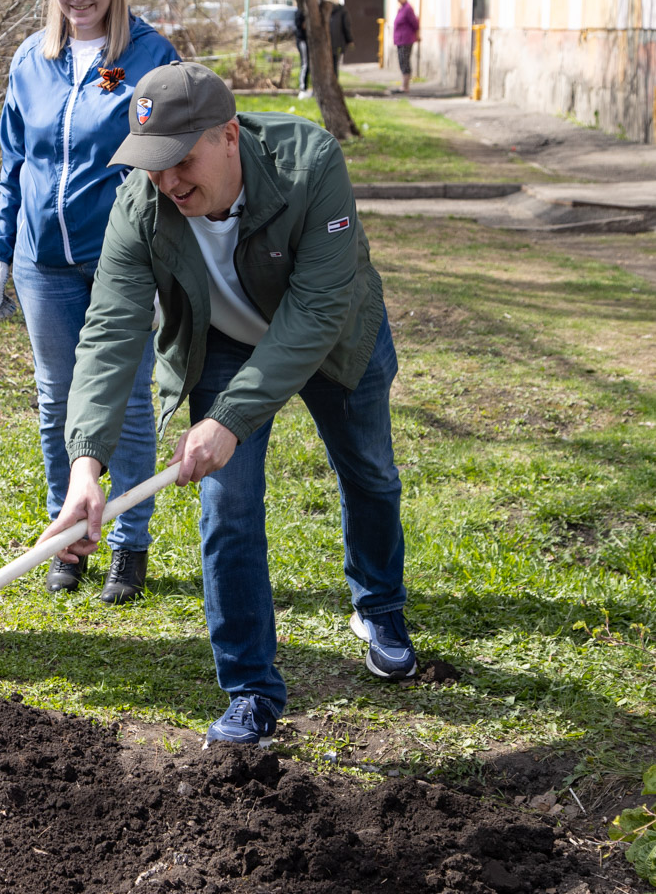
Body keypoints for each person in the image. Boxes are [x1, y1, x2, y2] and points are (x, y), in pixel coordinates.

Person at [42, 61, 417, 747]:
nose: (169, 183)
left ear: (229, 136)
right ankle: (250, 689)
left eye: (182, 161)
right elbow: (109, 331)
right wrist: (85, 466)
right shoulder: (142, 205)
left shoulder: (310, 164)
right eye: (154, 166)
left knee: (369, 474)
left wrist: (229, 419)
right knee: (229, 506)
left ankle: (380, 605)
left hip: (334, 335)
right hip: (224, 342)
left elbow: (315, 311)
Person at [0, 0, 179, 604]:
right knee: (56, 402)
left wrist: (164, 266)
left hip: (120, 261)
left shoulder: (151, 56)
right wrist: (2, 250)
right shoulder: (31, 59)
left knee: (123, 402)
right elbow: (15, 160)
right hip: (43, 261)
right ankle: (68, 536)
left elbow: (171, 166)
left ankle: (128, 543)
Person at [392, 0, 419, 94]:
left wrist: (416, 34)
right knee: (402, 61)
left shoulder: (408, 8)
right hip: (400, 40)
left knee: (405, 61)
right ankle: (403, 85)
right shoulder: (401, 8)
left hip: (406, 40)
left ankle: (405, 86)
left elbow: (415, 23)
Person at [324, 0, 353, 78]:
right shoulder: (341, 10)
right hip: (335, 43)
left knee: (332, 64)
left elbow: (346, 26)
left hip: (331, 43)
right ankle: (333, 81)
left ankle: (333, 83)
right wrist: (349, 40)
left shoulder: (341, 10)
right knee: (334, 64)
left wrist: (349, 39)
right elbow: (347, 26)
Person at [293, 2, 311, 99]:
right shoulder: (300, 12)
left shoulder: (307, 11)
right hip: (302, 40)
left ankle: (306, 87)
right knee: (305, 64)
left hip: (308, 41)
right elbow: (301, 26)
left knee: (308, 65)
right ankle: (302, 88)